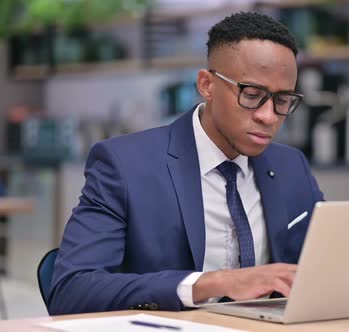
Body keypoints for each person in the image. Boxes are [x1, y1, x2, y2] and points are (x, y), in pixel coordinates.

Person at [48, 12, 324, 315]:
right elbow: (72, 290)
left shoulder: (291, 166)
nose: (269, 116)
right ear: (207, 85)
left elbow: (323, 272)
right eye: (252, 95)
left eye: (282, 100)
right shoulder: (125, 165)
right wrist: (212, 283)